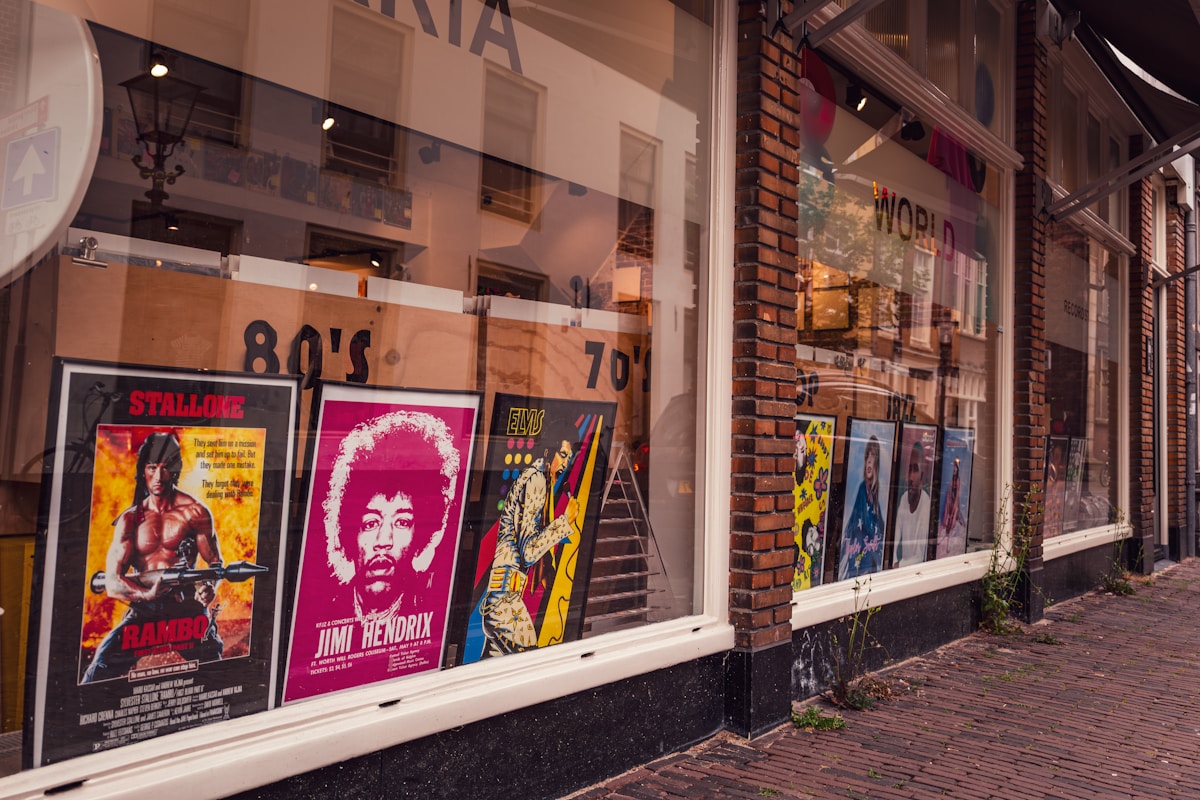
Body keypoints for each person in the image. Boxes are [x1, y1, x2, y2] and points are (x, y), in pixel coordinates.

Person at [82, 432, 224, 682]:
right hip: (145, 607)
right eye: (152, 467)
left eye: (165, 467)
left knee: (217, 674)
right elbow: (113, 582)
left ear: (175, 469)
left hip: (186, 607)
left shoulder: (195, 512)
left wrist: (209, 587)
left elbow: (215, 565)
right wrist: (144, 595)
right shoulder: (130, 520)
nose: (158, 477)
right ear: (143, 470)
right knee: (99, 671)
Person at [323, 411, 461, 622]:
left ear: (422, 537)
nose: (383, 541)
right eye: (370, 523)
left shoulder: (431, 614)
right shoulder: (323, 615)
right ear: (349, 534)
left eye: (402, 522)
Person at [480, 425, 580, 657]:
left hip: (501, 599)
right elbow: (528, 552)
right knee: (532, 664)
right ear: (549, 451)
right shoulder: (536, 480)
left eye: (569, 458)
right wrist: (565, 522)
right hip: (505, 602)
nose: (565, 463)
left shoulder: (537, 478)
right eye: (562, 455)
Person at [838, 435, 885, 581]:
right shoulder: (862, 490)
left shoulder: (874, 492)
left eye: (873, 456)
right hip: (860, 559)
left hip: (868, 559)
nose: (869, 461)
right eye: (867, 456)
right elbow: (858, 524)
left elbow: (880, 525)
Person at [893, 440, 931, 568]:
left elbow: (920, 556)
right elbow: (894, 538)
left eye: (915, 470)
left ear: (922, 476)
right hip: (902, 571)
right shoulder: (904, 499)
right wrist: (893, 562)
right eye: (909, 470)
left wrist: (898, 566)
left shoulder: (926, 505)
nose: (910, 477)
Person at [936, 458, 967, 558]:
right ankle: (946, 537)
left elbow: (957, 497)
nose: (954, 470)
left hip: (955, 506)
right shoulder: (950, 483)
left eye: (955, 468)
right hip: (949, 506)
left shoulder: (958, 481)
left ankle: (948, 538)